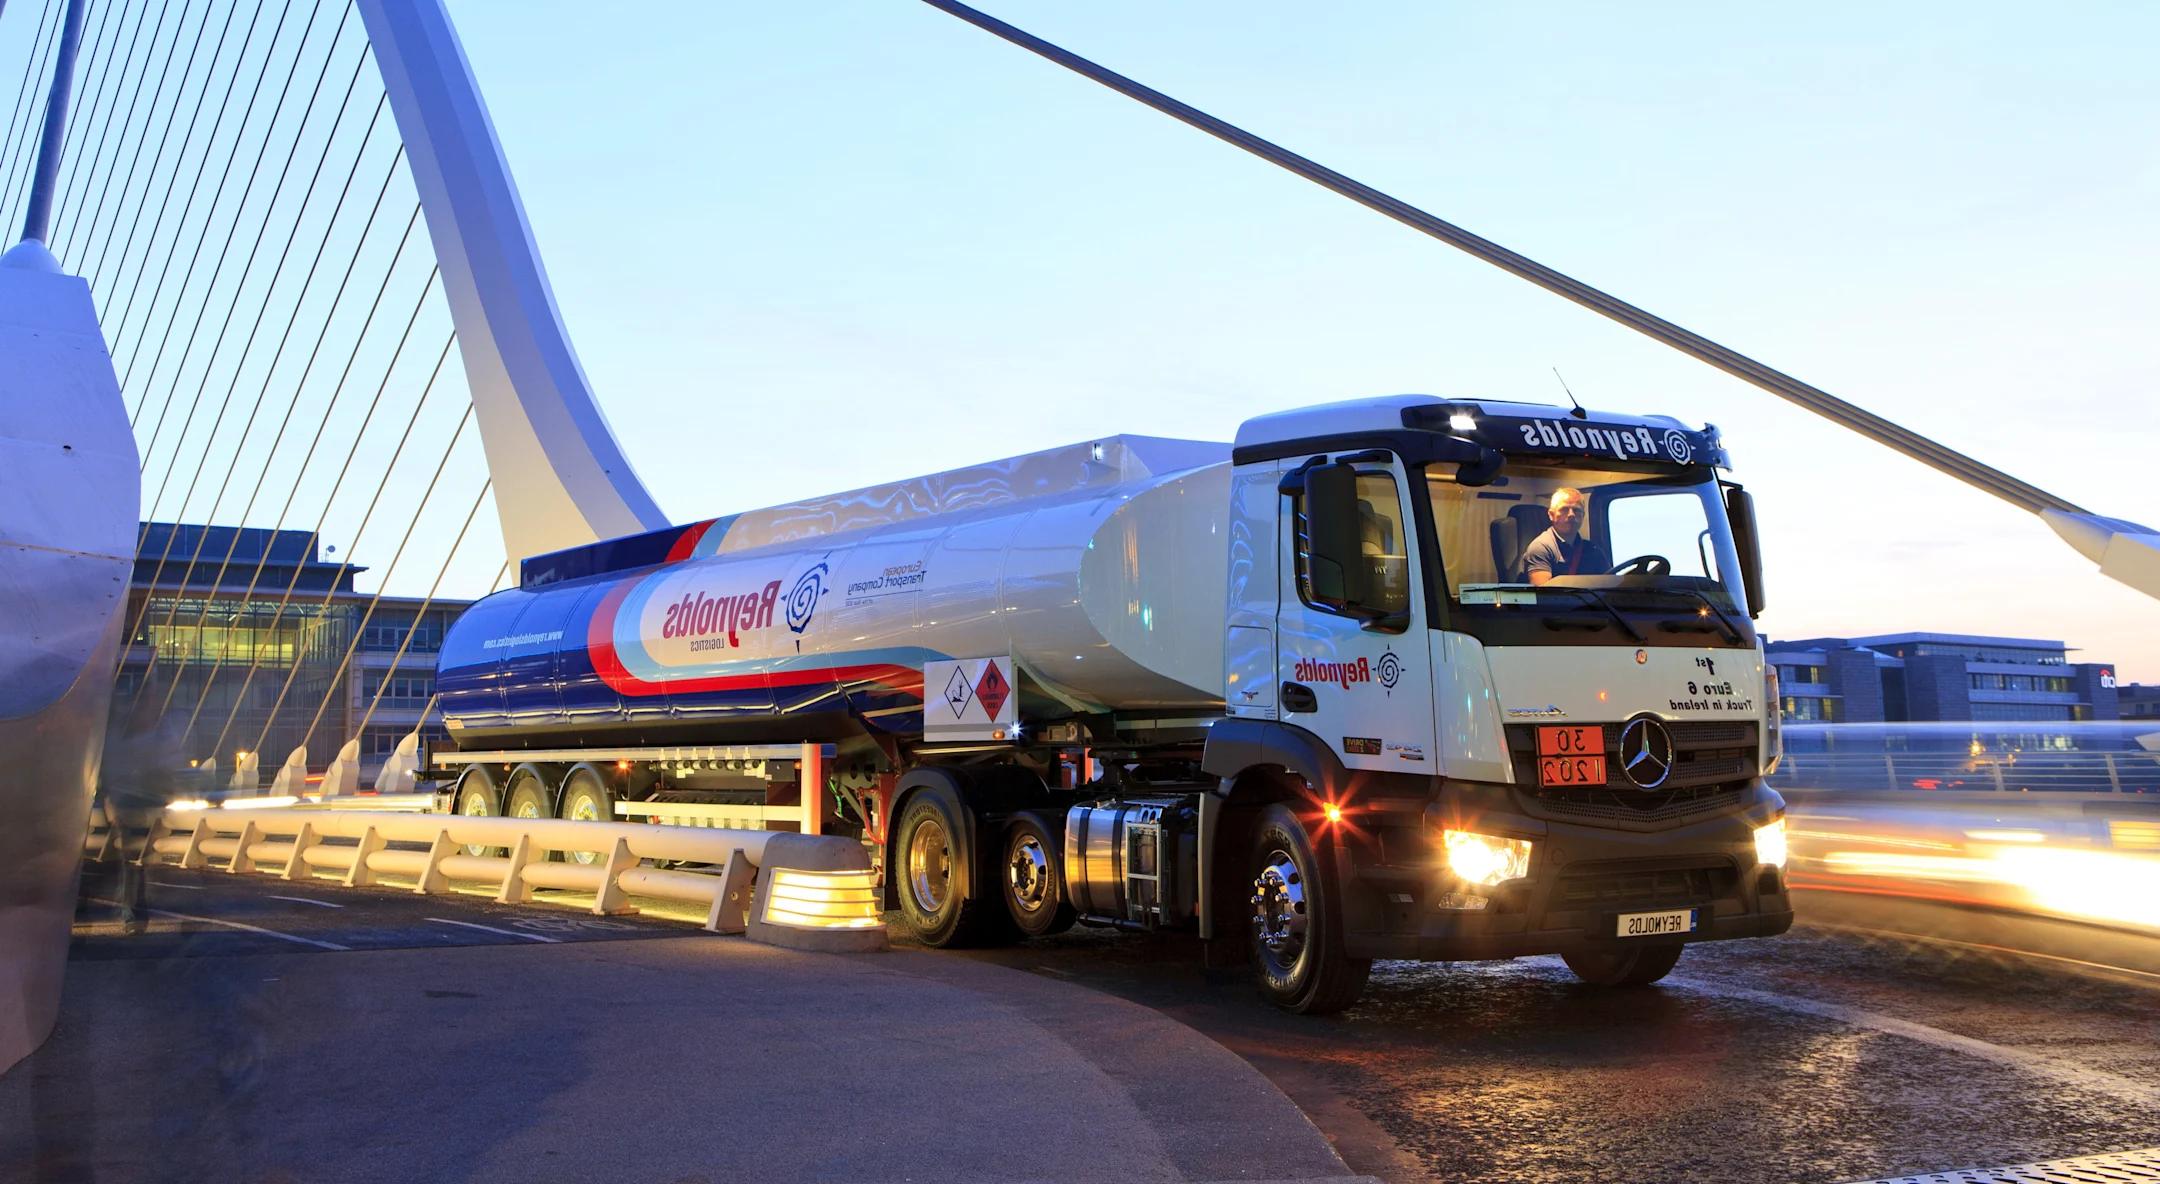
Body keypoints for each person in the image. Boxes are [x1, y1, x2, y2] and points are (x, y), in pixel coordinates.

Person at [1522, 488, 1610, 584]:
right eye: (1564, 509)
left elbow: (1611, 583)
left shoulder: (1593, 549)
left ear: (1583, 515)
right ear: (1551, 515)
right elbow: (1542, 594)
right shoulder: (1541, 548)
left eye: (1576, 510)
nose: (1571, 514)